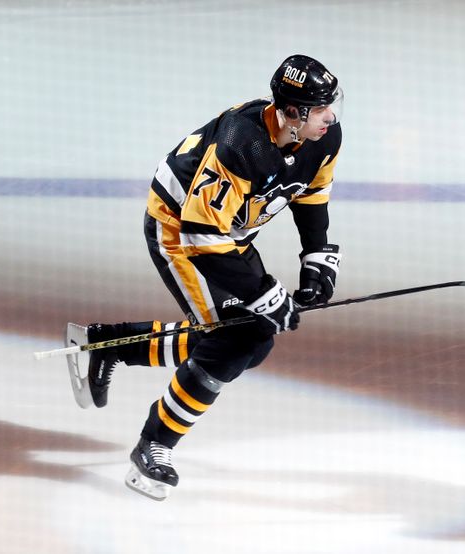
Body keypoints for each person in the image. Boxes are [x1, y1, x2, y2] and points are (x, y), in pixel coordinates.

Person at [65, 54, 344, 500]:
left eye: (333, 104)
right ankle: (153, 443)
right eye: (320, 107)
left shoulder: (321, 137)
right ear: (292, 112)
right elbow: (200, 237)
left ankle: (105, 345)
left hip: (225, 231)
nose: (331, 116)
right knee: (240, 339)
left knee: (242, 339)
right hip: (180, 230)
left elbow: (311, 191)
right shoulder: (242, 145)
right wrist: (262, 293)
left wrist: (316, 254)